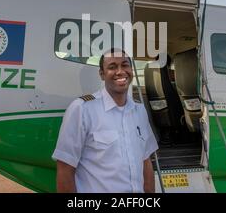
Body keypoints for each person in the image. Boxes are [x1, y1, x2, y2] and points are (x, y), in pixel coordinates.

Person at [52, 48, 159, 193]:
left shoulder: (139, 111)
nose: (120, 71)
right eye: (112, 67)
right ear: (102, 74)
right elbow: (65, 168)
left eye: (125, 65)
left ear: (131, 70)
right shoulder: (82, 109)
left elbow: (145, 161)